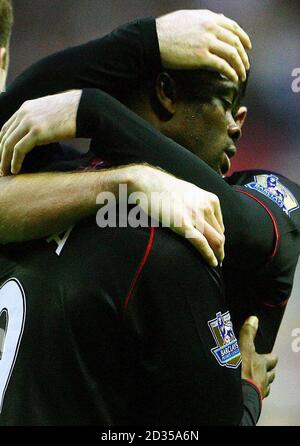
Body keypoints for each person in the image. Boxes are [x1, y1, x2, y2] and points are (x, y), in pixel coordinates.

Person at [0, 6, 277, 425]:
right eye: (224, 101)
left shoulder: (37, 196)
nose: (238, 125)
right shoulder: (167, 244)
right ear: (164, 93)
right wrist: (249, 395)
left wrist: (140, 45)